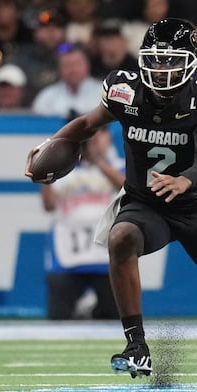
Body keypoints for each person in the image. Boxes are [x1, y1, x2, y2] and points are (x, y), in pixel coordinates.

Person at [26, 18, 197, 387]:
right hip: (146, 202)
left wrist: (184, 179)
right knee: (121, 236)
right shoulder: (124, 90)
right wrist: (50, 145)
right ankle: (136, 345)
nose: (161, 69)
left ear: (191, 62)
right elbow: (87, 124)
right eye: (155, 60)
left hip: (195, 206)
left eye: (171, 60)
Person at [41, 125, 124, 320]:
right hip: (68, 255)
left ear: (109, 138)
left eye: (99, 134)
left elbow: (126, 186)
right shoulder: (63, 169)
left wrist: (97, 161)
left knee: (113, 317)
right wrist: (45, 174)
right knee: (59, 317)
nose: (93, 140)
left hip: (107, 256)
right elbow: (49, 205)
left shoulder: (117, 165)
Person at [32, 44, 102, 118]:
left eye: (77, 64)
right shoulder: (46, 96)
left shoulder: (104, 92)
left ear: (87, 65)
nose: (73, 69)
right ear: (59, 69)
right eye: (67, 65)